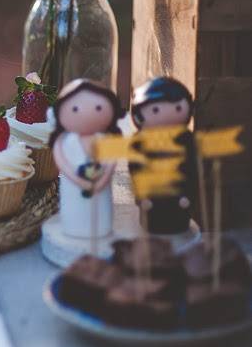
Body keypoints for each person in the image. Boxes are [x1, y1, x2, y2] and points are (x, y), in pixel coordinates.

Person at [50, 79, 124, 239]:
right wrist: (77, 178)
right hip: (73, 188)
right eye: (75, 108)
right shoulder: (64, 141)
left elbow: (111, 162)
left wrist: (103, 180)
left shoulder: (106, 139)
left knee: (99, 213)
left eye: (98, 108)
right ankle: (73, 227)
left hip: (100, 189)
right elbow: (62, 163)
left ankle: (100, 228)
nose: (86, 113)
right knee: (75, 211)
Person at [129, 76, 196, 234]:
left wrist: (191, 193)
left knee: (178, 216)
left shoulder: (186, 139)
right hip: (152, 193)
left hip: (179, 191)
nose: (165, 115)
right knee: (153, 218)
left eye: (178, 108)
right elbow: (135, 167)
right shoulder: (140, 141)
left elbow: (193, 167)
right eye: (155, 110)